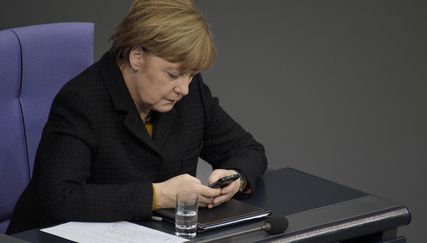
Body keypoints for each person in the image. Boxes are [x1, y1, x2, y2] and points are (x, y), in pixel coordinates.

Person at [6, 0, 267, 234]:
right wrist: (159, 195)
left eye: (192, 75)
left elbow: (248, 150)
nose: (184, 88)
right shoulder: (81, 101)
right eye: (173, 75)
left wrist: (236, 178)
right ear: (137, 56)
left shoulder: (188, 93)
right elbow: (61, 198)